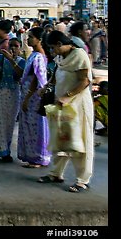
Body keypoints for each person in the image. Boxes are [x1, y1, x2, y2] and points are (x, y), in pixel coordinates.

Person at [38, 30, 94, 193]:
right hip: (61, 105)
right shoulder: (61, 57)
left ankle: (83, 179)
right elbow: (56, 75)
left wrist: (68, 96)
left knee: (80, 141)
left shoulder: (79, 55)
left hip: (78, 105)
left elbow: (85, 81)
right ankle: (56, 173)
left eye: (53, 48)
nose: (52, 52)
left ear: (60, 44)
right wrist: (47, 87)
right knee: (60, 138)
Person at [17, 27, 51, 168]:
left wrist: (27, 98)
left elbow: (36, 80)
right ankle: (33, 157)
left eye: (31, 37)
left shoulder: (38, 57)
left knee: (34, 127)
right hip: (29, 95)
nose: (28, 39)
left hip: (33, 97)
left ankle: (38, 157)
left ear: (39, 40)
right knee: (29, 126)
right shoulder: (34, 54)